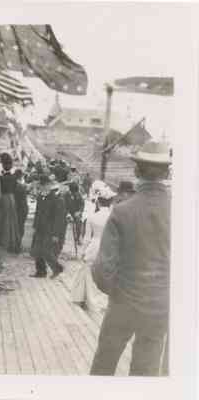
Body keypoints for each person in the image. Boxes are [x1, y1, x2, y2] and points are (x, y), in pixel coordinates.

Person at [90, 141, 171, 376]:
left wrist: (117, 293)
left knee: (104, 366)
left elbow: (103, 270)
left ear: (136, 171)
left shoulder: (122, 211)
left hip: (123, 303)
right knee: (146, 372)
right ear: (167, 173)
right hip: (159, 306)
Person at [71, 186, 115, 311]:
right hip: (108, 246)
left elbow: (86, 238)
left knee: (89, 272)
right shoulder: (113, 217)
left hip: (94, 245)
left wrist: (83, 251)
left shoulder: (92, 217)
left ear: (98, 202)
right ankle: (104, 299)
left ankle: (88, 298)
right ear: (110, 202)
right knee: (106, 272)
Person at [30, 174, 66, 279]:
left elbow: (58, 218)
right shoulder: (40, 197)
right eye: (41, 186)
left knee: (46, 251)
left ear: (48, 186)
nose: (42, 187)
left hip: (49, 229)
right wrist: (35, 226)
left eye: (44, 185)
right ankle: (41, 271)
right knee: (36, 250)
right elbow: (37, 213)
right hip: (39, 228)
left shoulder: (55, 199)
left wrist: (55, 234)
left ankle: (57, 268)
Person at [0, 153, 20, 254]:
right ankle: (13, 243)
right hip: (12, 198)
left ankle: (4, 242)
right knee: (12, 221)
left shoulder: (0, 178)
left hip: (4, 199)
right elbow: (15, 188)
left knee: (4, 221)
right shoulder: (14, 177)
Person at [64, 181, 85, 246]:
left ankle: (78, 238)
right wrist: (67, 214)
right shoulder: (66, 195)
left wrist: (79, 212)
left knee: (79, 221)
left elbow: (82, 204)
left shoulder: (79, 194)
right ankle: (62, 237)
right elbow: (63, 206)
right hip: (68, 212)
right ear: (70, 190)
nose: (75, 193)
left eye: (76, 192)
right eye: (74, 192)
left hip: (76, 213)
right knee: (61, 221)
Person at [14, 168, 29, 253]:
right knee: (20, 228)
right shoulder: (21, 187)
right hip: (21, 209)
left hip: (16, 209)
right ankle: (17, 245)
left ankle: (15, 245)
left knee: (16, 227)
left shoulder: (14, 186)